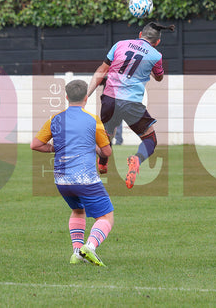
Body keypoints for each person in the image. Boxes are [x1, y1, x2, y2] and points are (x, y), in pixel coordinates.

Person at [30, 79, 113, 266]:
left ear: (66, 97)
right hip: (85, 178)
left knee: (77, 210)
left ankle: (77, 253)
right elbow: (106, 151)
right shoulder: (93, 119)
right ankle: (89, 246)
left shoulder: (55, 118)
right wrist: (97, 151)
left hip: (62, 180)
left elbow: (35, 145)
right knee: (106, 216)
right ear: (86, 98)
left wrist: (55, 149)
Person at [87, 21, 174, 188]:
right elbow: (159, 77)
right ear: (157, 42)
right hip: (131, 102)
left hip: (109, 99)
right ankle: (137, 159)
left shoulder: (119, 45)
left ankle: (102, 163)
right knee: (150, 139)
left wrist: (86, 95)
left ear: (140, 35)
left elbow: (101, 70)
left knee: (107, 137)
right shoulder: (156, 55)